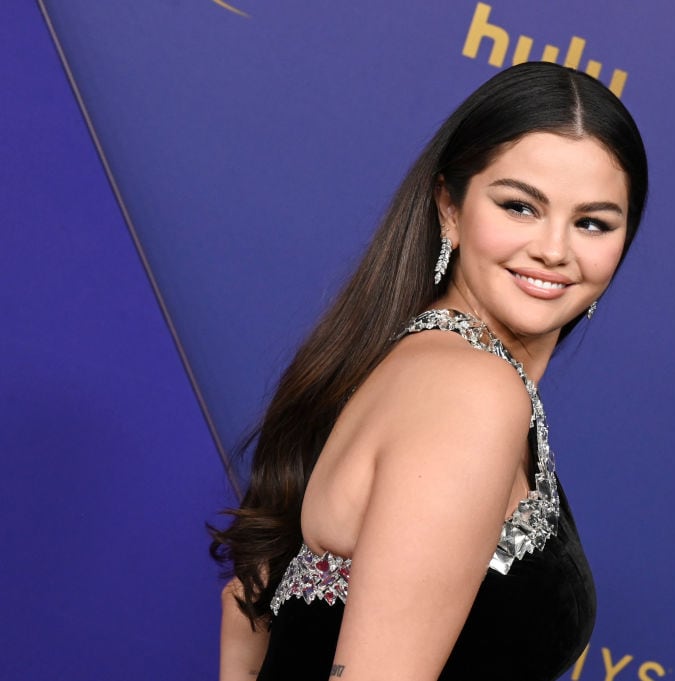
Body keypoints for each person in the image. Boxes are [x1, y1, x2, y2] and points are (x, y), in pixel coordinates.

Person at [209, 61, 648, 681]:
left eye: (592, 223)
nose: (554, 249)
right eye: (520, 207)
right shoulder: (469, 390)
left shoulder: (412, 360)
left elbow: (246, 608)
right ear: (450, 208)